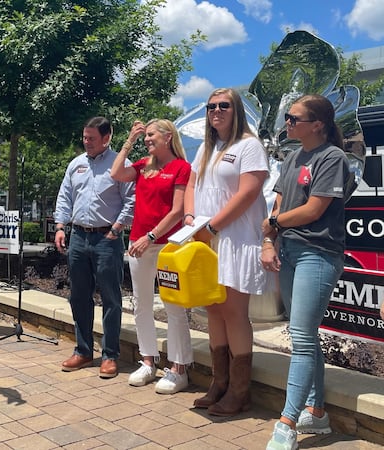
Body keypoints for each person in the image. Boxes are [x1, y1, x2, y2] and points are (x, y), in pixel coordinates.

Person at [263, 95, 349, 450]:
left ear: (317, 124)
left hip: (318, 252)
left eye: (293, 117)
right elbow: (279, 203)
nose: (287, 122)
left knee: (300, 336)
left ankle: (287, 423)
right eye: (287, 116)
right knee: (305, 335)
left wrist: (271, 224)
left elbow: (314, 210)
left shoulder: (333, 158)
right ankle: (317, 411)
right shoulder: (292, 156)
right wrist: (269, 242)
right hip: (289, 251)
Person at [183, 88, 269, 416]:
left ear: (236, 111)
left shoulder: (249, 146)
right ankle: (219, 383)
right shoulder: (208, 147)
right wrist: (191, 219)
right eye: (211, 106)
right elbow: (192, 185)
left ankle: (239, 390)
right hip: (205, 238)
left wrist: (213, 226)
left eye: (224, 106)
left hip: (234, 239)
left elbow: (248, 193)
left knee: (234, 312)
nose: (216, 111)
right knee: (213, 310)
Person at [110, 119, 194, 394]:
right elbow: (115, 173)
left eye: (150, 135)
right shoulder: (143, 165)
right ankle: (148, 361)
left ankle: (179, 368)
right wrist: (129, 141)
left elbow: (178, 211)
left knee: (174, 306)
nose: (147, 140)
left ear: (168, 137)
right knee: (141, 304)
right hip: (139, 242)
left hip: (166, 244)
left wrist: (151, 237)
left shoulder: (181, 168)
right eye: (144, 136)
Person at [54, 116, 135, 378]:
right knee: (79, 295)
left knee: (111, 298)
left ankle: (110, 355)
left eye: (92, 138)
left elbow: (131, 200)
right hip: (78, 237)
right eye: (85, 137)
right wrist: (59, 226)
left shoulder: (120, 165)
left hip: (107, 239)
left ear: (107, 138)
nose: (86, 142)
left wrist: (117, 228)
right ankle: (83, 351)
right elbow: (65, 196)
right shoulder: (76, 165)